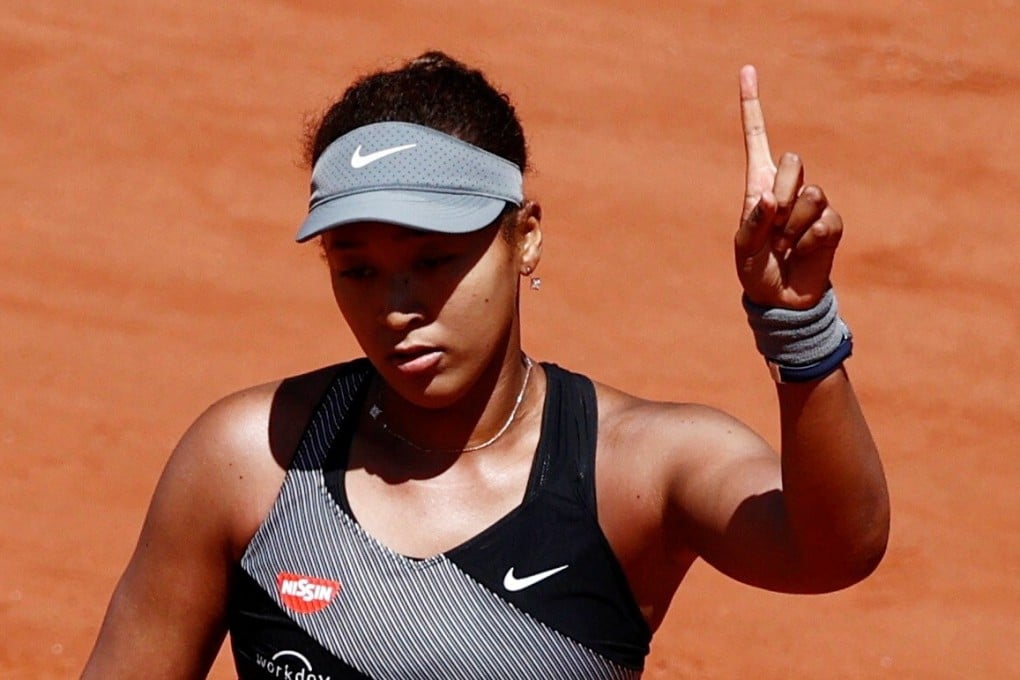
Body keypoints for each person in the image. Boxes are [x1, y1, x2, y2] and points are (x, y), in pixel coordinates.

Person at [81, 51, 890, 679]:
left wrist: (798, 326)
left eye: (435, 260)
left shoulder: (633, 467)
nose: (397, 305)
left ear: (526, 235)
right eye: (355, 268)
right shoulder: (248, 462)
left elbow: (834, 550)